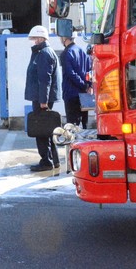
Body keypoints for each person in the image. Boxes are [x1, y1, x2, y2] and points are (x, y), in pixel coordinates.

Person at [24, 25, 62, 172]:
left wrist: (43, 101)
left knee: (41, 130)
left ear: (41, 38)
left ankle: (46, 161)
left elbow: (44, 80)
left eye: (34, 39)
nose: (33, 42)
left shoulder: (44, 54)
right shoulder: (45, 52)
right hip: (42, 97)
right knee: (48, 129)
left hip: (41, 98)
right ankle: (54, 159)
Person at [59, 32, 92, 129]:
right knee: (84, 124)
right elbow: (89, 72)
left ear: (64, 38)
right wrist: (88, 86)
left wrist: (84, 85)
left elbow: (71, 73)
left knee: (72, 126)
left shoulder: (66, 53)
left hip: (71, 93)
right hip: (84, 95)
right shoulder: (83, 52)